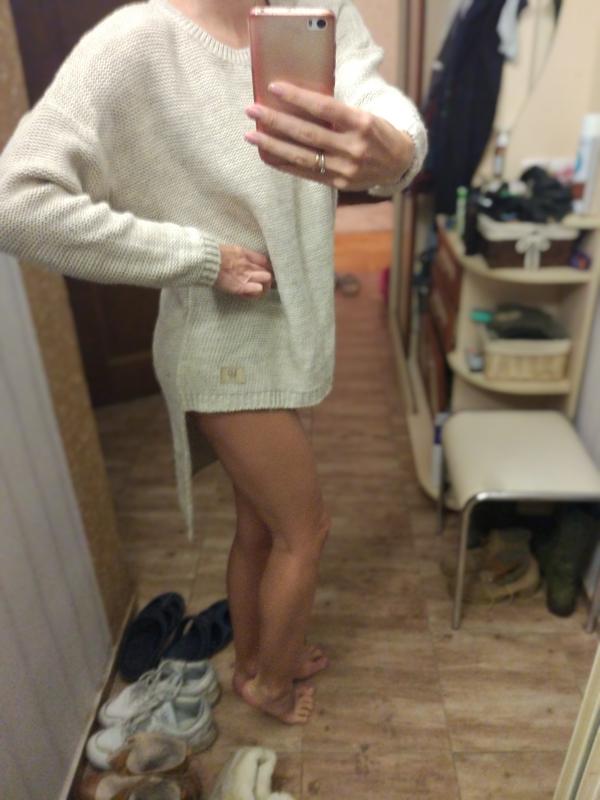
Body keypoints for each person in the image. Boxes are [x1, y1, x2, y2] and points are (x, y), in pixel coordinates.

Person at [0, 0, 426, 724]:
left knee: (261, 526)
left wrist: (400, 146)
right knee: (305, 529)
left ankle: (259, 659)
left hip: (285, 331)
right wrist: (198, 258)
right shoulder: (137, 41)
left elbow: (373, 93)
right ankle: (269, 687)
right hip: (220, 344)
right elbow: (17, 202)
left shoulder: (314, 13)